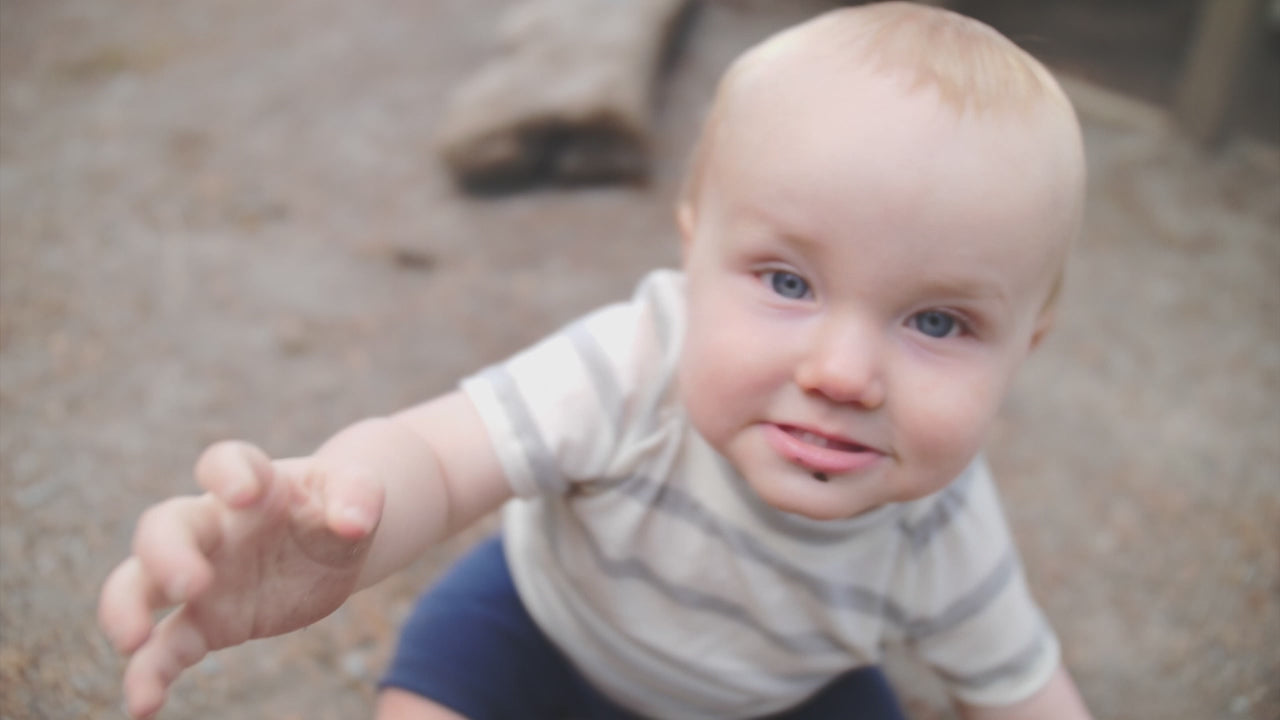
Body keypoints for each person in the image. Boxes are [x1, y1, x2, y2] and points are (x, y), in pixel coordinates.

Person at [97, 3, 1094, 719]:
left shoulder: (943, 526)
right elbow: (442, 460)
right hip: (542, 631)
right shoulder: (634, 363)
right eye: (787, 283)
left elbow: (1015, 687)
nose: (842, 373)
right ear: (690, 254)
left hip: (780, 698)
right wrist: (343, 512)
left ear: (1023, 349)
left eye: (936, 323)